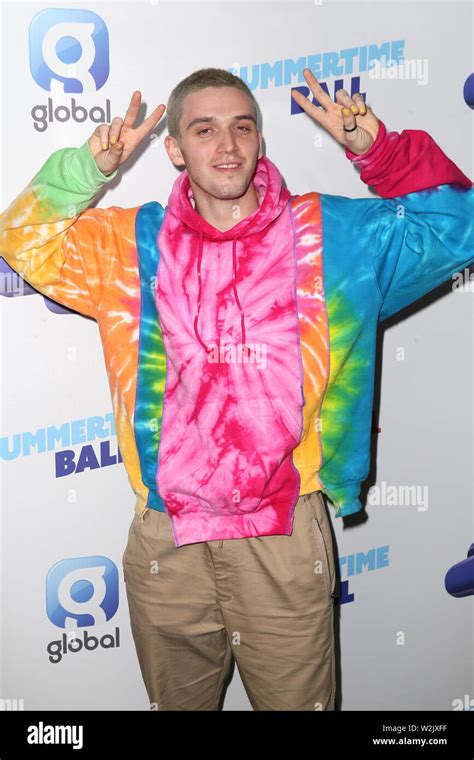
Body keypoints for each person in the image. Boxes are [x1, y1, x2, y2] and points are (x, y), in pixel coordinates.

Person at [0, 67, 472, 711]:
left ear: (260, 140)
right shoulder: (130, 246)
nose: (227, 146)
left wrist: (378, 150)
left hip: (284, 534)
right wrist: (88, 167)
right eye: (204, 129)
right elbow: (22, 238)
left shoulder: (331, 236)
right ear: (175, 148)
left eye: (242, 128)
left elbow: (456, 228)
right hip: (167, 539)